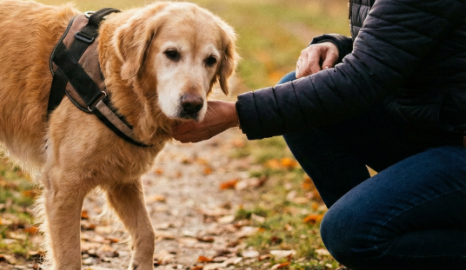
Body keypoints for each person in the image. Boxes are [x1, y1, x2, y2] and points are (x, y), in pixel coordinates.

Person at [172, 0, 466, 269]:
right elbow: (400, 39)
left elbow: (361, 79)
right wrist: (336, 45)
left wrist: (238, 113)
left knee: (350, 233)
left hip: (455, 141)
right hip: (433, 127)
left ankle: (371, 236)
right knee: (297, 91)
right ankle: (381, 238)